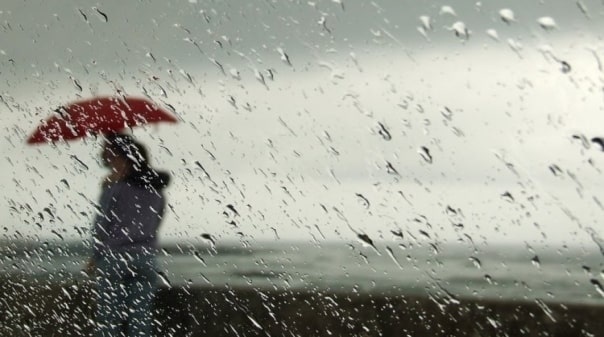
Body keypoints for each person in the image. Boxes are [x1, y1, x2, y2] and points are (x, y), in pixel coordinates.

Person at [87, 133, 170, 337]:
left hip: (115, 258)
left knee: (109, 319)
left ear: (123, 159)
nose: (105, 157)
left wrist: (95, 256)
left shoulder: (114, 188)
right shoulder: (156, 190)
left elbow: (102, 226)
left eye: (111, 155)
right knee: (141, 318)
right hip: (145, 257)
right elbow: (156, 221)